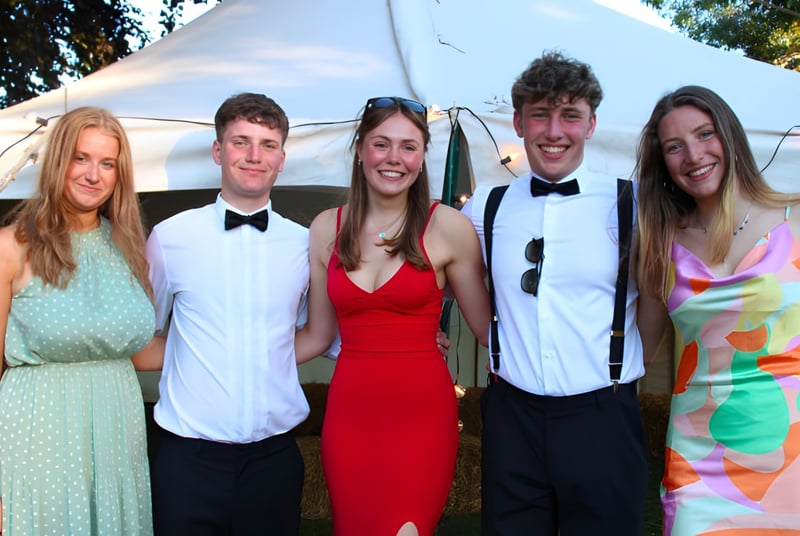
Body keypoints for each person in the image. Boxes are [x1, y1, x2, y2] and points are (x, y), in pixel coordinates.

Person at [461, 51, 649, 535]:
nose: (553, 131)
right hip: (512, 415)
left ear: (591, 124)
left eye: (570, 115)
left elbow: (657, 307)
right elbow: (436, 269)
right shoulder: (486, 204)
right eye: (540, 114)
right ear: (519, 122)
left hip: (603, 414)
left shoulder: (632, 202)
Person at [135, 92, 336, 535]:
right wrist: (202, 355)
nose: (253, 156)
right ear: (217, 151)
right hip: (187, 460)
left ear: (282, 159)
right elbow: (140, 339)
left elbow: (318, 335)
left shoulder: (305, 243)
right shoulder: (170, 237)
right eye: (240, 141)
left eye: (267, 145)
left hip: (275, 460)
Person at [296, 96, 490, 535]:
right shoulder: (327, 228)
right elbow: (317, 335)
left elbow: (487, 329)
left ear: (422, 159)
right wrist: (240, 359)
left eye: (408, 147)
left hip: (421, 418)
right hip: (349, 417)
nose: (394, 158)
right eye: (381, 144)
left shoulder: (448, 227)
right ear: (360, 148)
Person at [634, 85, 800, 534]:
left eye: (705, 134)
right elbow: (637, 353)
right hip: (699, 459)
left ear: (729, 137)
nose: (693, 155)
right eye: (674, 146)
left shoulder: (795, 219)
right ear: (663, 163)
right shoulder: (657, 247)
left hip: (793, 455)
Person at [0, 107, 156, 535]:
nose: (93, 174)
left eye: (107, 163)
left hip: (115, 436)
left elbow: (140, 353)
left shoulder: (127, 245)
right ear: (58, 162)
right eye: (81, 158)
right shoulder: (12, 246)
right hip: (37, 438)